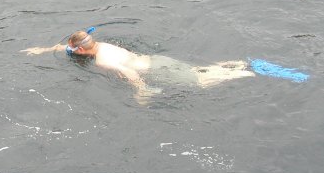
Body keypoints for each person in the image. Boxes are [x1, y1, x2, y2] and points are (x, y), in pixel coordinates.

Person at [21, 30, 255, 104]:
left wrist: (141, 90)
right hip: (157, 60)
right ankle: (233, 66)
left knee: (200, 82)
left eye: (72, 50)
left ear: (80, 50)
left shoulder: (102, 61)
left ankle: (247, 73)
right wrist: (42, 49)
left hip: (153, 71)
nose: (70, 51)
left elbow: (127, 72)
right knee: (195, 71)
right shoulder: (102, 45)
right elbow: (67, 48)